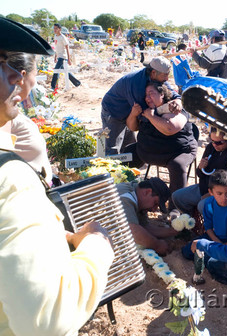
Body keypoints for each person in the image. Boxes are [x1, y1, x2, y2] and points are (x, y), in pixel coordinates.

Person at [0, 17, 114, 335]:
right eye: (1, 63)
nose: (17, 78)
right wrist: (96, 245)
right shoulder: (10, 181)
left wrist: (49, 238)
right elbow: (46, 318)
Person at [125, 81, 198, 211]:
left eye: (151, 94)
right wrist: (133, 114)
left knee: (177, 165)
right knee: (126, 155)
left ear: (162, 94)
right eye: (145, 95)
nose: (147, 98)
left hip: (177, 152)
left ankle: (175, 208)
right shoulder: (146, 109)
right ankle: (128, 194)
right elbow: (133, 127)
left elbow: (170, 128)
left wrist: (151, 116)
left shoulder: (175, 108)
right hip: (147, 151)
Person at [101, 56, 182, 155]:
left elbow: (170, 92)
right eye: (165, 75)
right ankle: (110, 169)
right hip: (113, 111)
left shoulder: (157, 78)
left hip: (129, 111)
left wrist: (178, 100)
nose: (166, 79)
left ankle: (128, 169)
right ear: (153, 73)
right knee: (112, 149)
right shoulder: (135, 84)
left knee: (129, 148)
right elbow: (144, 115)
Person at [6, 52, 52, 185]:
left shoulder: (11, 112)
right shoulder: (6, 118)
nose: (34, 82)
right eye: (35, 75)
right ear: (21, 76)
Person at [172, 127, 227, 215]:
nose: (214, 145)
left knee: (203, 206)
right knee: (178, 196)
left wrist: (211, 194)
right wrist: (200, 168)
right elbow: (200, 174)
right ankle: (191, 223)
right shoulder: (210, 147)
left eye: (219, 142)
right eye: (212, 141)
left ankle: (213, 227)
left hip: (221, 192)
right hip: (205, 187)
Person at [181, 169, 227, 264]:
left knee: (215, 261)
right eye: (219, 193)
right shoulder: (209, 204)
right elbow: (208, 227)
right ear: (211, 192)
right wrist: (218, 243)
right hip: (215, 238)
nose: (224, 197)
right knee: (187, 251)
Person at [117, 177, 177, 256]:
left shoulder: (136, 194)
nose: (154, 210)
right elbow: (133, 231)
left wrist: (173, 231)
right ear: (147, 192)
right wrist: (157, 245)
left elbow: (144, 227)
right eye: (155, 203)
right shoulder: (126, 198)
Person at [51, 23, 81, 90]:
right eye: (54, 28)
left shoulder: (63, 37)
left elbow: (67, 48)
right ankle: (77, 83)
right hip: (59, 56)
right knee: (66, 71)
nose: (55, 30)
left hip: (63, 57)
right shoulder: (55, 36)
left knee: (56, 70)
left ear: (60, 29)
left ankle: (53, 86)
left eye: (56, 28)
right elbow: (56, 48)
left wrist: (69, 59)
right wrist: (55, 57)